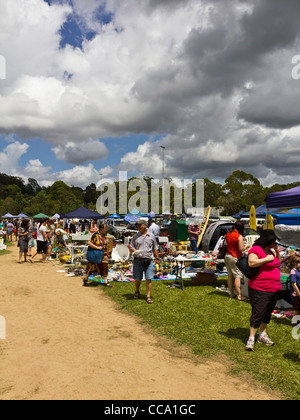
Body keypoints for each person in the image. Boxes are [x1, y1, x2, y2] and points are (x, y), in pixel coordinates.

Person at [245, 230, 281, 351]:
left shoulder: (270, 251)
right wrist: (266, 259)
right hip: (260, 288)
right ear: (267, 240)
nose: (274, 243)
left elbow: (277, 264)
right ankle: (251, 338)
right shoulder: (256, 249)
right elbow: (251, 262)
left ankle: (262, 334)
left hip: (274, 288)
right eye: (273, 241)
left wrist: (276, 253)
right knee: (258, 313)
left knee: (267, 313)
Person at [130, 218, 159, 304]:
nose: (138, 227)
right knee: (137, 279)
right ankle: (137, 291)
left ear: (145, 226)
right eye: (137, 225)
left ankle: (148, 296)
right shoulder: (135, 236)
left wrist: (157, 258)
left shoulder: (151, 236)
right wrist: (134, 250)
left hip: (149, 260)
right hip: (138, 260)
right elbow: (131, 246)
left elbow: (155, 248)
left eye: (140, 225)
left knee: (148, 278)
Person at [224, 221, 250, 300]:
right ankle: (239, 295)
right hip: (234, 257)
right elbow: (241, 249)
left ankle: (232, 293)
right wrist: (247, 246)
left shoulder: (228, 234)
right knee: (238, 276)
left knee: (230, 275)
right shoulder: (239, 236)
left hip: (227, 256)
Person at [84, 223, 111, 287]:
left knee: (105, 267)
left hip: (104, 254)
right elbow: (89, 243)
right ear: (101, 229)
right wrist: (97, 247)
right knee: (91, 267)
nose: (106, 230)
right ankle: (85, 279)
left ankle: (105, 282)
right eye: (105, 229)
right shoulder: (95, 235)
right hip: (96, 254)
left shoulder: (105, 235)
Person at [287, 254, 300, 325]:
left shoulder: (299, 271)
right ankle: (294, 322)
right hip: (296, 293)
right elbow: (294, 283)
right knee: (296, 308)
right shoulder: (293, 271)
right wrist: (298, 293)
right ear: (295, 263)